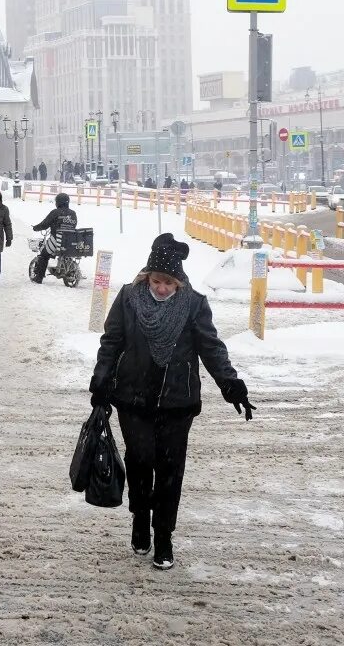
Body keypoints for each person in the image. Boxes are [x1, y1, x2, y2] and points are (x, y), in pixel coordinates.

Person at [88, 233, 253, 572]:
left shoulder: (194, 304)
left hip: (178, 401)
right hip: (132, 398)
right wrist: (101, 379)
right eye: (157, 281)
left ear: (180, 282)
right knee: (140, 459)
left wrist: (230, 382)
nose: (162, 288)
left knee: (169, 470)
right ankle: (140, 517)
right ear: (147, 276)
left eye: (169, 283)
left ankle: (163, 534)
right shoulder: (129, 297)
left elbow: (211, 347)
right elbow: (112, 341)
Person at [29, 193, 78, 283]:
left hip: (57, 239)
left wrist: (36, 228)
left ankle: (39, 277)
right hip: (69, 241)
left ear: (58, 202)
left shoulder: (55, 212)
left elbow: (45, 224)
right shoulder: (73, 213)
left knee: (44, 255)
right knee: (63, 252)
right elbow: (74, 225)